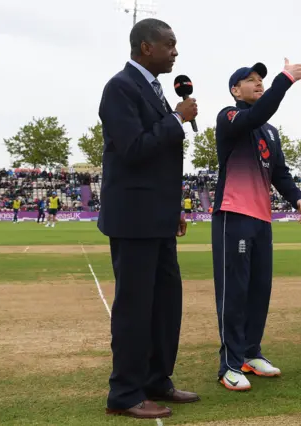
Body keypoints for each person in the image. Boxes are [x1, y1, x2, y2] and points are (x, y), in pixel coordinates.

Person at [97, 18, 200, 419]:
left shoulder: (153, 90)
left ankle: (158, 380)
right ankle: (124, 393)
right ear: (145, 48)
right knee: (135, 308)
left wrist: (172, 208)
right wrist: (175, 120)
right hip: (133, 220)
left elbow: (158, 162)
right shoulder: (120, 88)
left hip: (157, 219)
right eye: (169, 44)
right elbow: (134, 150)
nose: (175, 51)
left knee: (165, 306)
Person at [212, 59, 301, 391]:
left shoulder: (269, 131)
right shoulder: (230, 117)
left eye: (261, 80)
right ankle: (229, 362)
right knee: (234, 289)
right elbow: (255, 115)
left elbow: (280, 173)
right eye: (250, 80)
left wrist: (297, 197)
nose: (258, 84)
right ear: (234, 89)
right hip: (234, 216)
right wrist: (286, 79)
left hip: (261, 219)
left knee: (259, 289)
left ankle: (251, 353)